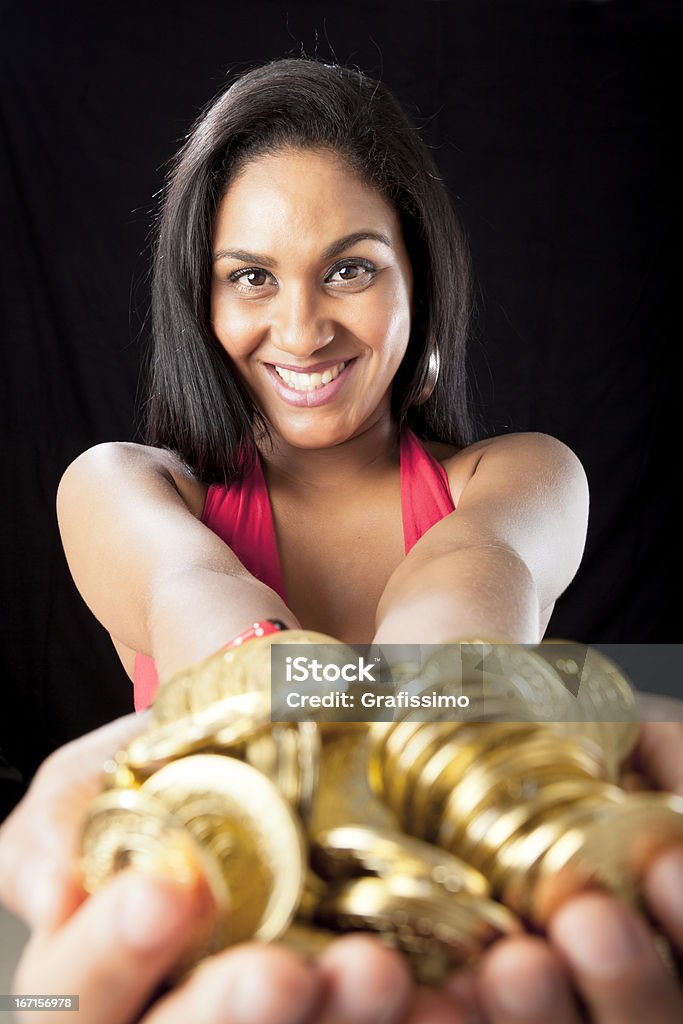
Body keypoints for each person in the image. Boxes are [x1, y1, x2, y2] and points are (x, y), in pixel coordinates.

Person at [1, 56, 681, 1023]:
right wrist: (586, 694)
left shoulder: (521, 477)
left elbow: (446, 630)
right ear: (202, 298)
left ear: (419, 275)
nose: (302, 327)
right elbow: (226, 633)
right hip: (206, 973)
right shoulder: (124, 488)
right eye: (251, 277)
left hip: (467, 971)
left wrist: (493, 688)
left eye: (349, 268)